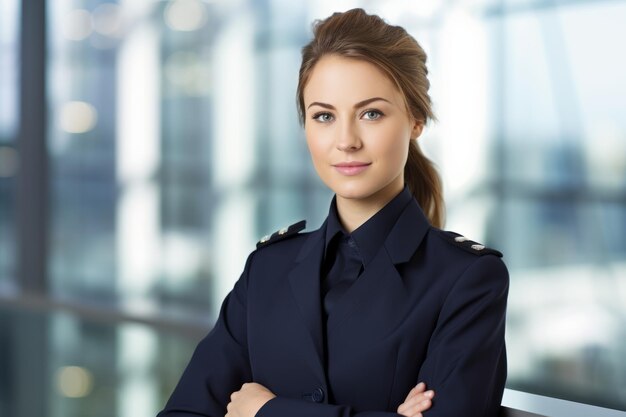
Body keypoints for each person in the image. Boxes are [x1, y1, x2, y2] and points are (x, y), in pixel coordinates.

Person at [157, 8, 508, 417]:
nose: (346, 141)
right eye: (324, 116)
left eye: (371, 113)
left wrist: (266, 412)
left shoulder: (467, 279)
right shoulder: (267, 269)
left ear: (415, 120)